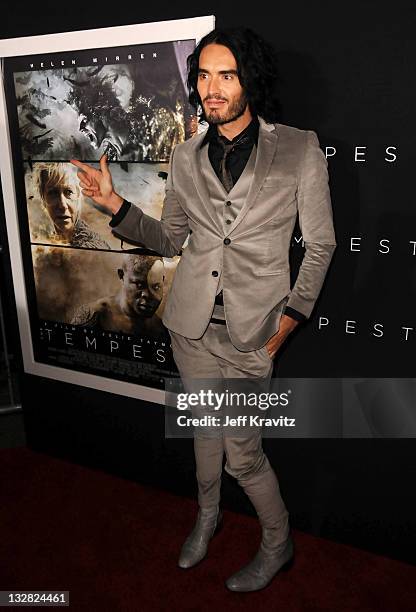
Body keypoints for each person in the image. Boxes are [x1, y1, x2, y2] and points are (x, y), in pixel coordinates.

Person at [71, 27, 337, 592]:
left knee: (243, 457)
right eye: (204, 75)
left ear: (250, 80)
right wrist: (115, 203)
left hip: (251, 336)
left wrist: (291, 319)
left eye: (227, 75)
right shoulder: (186, 154)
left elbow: (321, 244)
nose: (212, 88)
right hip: (190, 329)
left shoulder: (298, 148)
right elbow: (171, 239)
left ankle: (277, 542)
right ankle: (207, 518)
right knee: (203, 442)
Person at [70, 254, 165, 337]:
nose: (147, 295)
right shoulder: (94, 315)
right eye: (139, 285)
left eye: (156, 286)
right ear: (121, 275)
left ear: (163, 280)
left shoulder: (159, 326)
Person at [35, 163, 111, 249]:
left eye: (69, 192)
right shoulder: (45, 242)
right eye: (53, 193)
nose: (62, 205)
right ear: (43, 198)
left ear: (79, 196)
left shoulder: (93, 248)